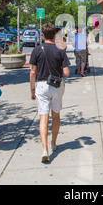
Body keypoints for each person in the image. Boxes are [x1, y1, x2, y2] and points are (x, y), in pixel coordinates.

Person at [29, 23, 70, 163]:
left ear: (43, 35)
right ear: (54, 35)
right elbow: (66, 72)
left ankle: (44, 149)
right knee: (56, 114)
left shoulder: (36, 50)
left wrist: (32, 89)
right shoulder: (60, 50)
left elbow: (32, 72)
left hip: (41, 85)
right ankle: (53, 142)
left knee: (43, 117)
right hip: (56, 85)